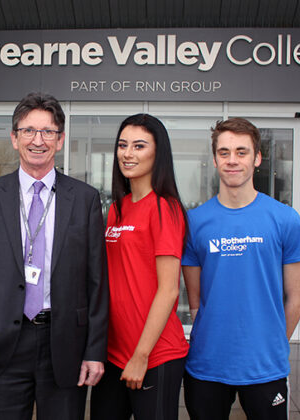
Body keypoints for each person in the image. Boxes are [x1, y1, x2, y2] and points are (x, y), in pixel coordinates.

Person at [0, 92, 109, 420]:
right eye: (28, 131)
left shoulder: (84, 199)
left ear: (60, 140)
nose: (38, 140)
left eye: (48, 132)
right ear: (14, 138)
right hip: (1, 346)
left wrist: (94, 351)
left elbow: (97, 282)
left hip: (65, 345)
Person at [181, 118, 300, 420]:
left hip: (265, 366)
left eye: (241, 152)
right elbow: (196, 303)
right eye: (224, 152)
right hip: (207, 364)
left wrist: (270, 342)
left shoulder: (285, 219)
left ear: (257, 158)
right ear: (214, 159)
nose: (232, 160)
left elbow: (297, 299)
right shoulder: (195, 222)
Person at [90, 114, 189, 420]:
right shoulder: (117, 209)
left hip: (153, 354)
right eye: (122, 145)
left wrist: (141, 356)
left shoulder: (164, 208)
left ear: (158, 154)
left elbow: (169, 289)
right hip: (114, 353)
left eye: (139, 146)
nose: (128, 153)